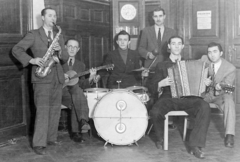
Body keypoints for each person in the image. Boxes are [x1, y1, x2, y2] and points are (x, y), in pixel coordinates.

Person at [12, 7, 69, 155]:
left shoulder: (59, 35)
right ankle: (39, 143)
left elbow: (65, 58)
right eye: (50, 15)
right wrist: (32, 60)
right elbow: (17, 50)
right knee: (42, 110)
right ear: (43, 18)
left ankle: (51, 138)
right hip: (42, 77)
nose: (53, 18)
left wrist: (60, 51)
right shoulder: (34, 34)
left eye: (55, 16)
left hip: (57, 75)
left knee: (55, 109)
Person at [148, 36, 211, 159]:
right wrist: (161, 83)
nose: (176, 46)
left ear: (182, 46)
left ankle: (195, 145)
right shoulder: (161, 65)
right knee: (155, 111)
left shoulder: (191, 64)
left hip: (188, 97)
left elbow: (200, 86)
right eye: (173, 43)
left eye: (179, 44)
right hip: (168, 97)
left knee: (204, 106)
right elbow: (151, 86)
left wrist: (204, 83)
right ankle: (160, 138)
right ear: (169, 47)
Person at [62, 39, 98, 143]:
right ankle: (81, 123)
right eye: (70, 46)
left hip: (74, 93)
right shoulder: (58, 62)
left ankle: (77, 130)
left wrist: (91, 77)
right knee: (77, 94)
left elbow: (82, 84)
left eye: (75, 47)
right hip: (61, 91)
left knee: (77, 91)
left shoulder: (81, 65)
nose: (72, 49)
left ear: (78, 49)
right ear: (65, 47)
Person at [201, 42, 236, 148]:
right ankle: (193, 130)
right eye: (209, 52)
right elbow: (193, 71)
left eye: (215, 51)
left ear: (221, 53)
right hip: (204, 95)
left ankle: (229, 134)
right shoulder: (203, 60)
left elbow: (229, 88)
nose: (212, 55)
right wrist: (202, 79)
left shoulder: (230, 68)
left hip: (220, 96)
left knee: (229, 100)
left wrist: (221, 85)